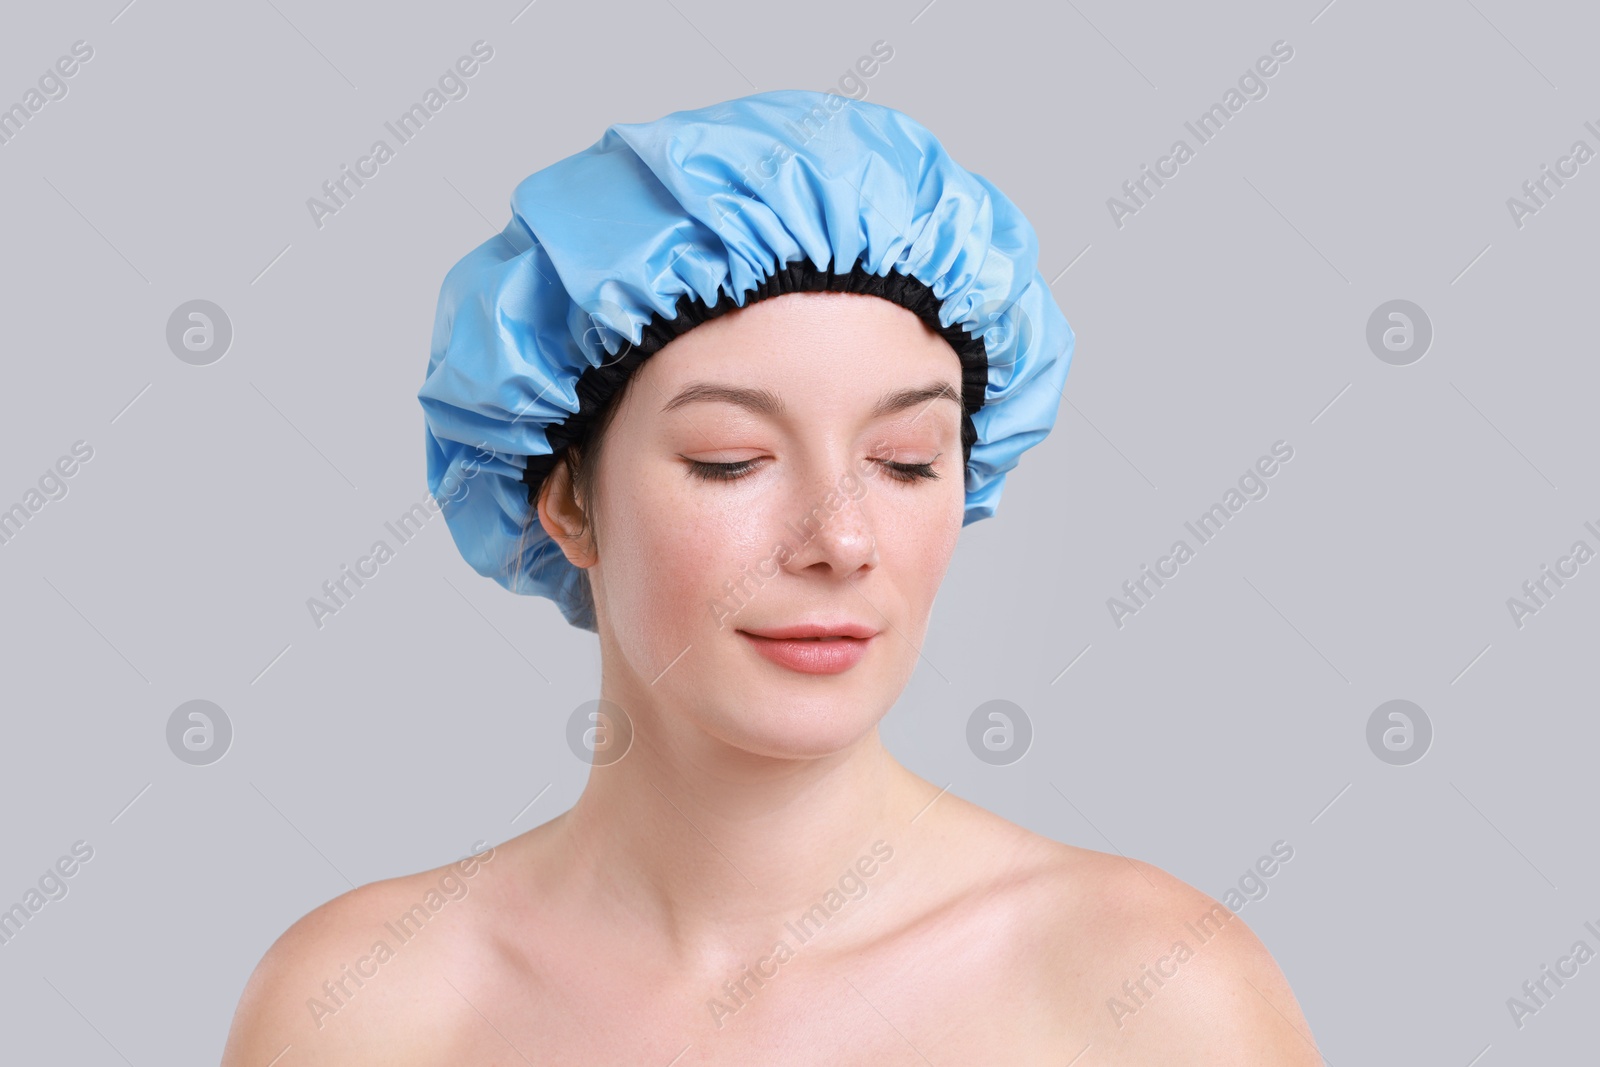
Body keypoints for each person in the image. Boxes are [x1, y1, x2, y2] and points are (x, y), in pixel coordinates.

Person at [221, 89, 1320, 1064]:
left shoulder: (1150, 992)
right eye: (729, 460)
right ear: (564, 499)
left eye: (904, 463)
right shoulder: (363, 1008)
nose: (840, 541)